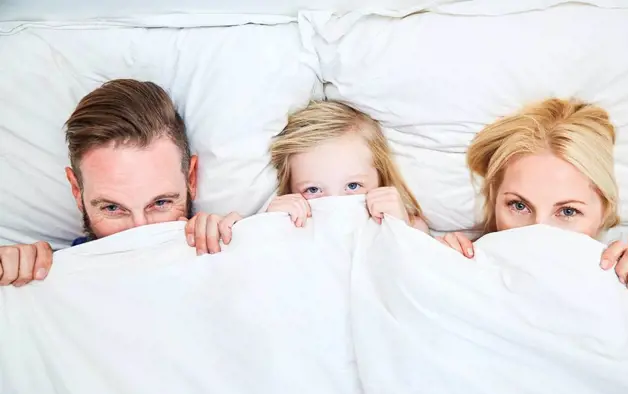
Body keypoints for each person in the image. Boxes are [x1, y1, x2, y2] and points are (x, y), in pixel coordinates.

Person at [0, 79, 241, 287]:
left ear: (190, 180)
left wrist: (245, 244)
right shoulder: (49, 274)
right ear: (76, 191)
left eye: (161, 202)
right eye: (113, 208)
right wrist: (16, 276)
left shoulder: (225, 247)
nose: (140, 232)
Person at [439, 97, 628, 291]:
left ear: (604, 210)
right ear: (494, 198)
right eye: (519, 206)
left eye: (567, 211)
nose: (538, 230)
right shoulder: (458, 262)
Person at [265, 100, 429, 233]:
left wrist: (401, 228)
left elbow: (421, 270)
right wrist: (269, 225)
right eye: (313, 189)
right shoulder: (290, 225)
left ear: (381, 179)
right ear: (290, 191)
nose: (336, 203)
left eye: (353, 186)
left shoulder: (409, 224)